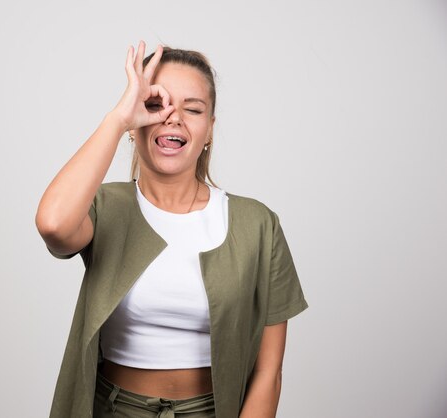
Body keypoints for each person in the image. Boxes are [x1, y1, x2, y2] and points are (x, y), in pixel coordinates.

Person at [36, 41, 308, 418]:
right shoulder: (105, 207)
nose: (173, 117)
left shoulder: (258, 225)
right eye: (155, 105)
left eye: (193, 109)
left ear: (209, 130)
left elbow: (268, 372)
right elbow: (53, 224)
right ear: (136, 123)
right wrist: (118, 118)